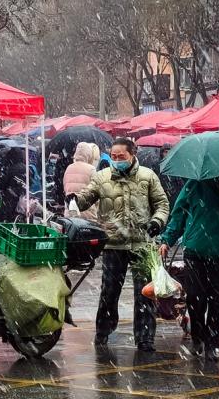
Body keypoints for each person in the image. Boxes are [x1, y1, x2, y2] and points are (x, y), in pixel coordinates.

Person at [70, 138, 169, 352]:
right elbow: (86, 198)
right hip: (113, 245)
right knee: (109, 292)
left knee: (145, 293)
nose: (116, 160)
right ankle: (103, 332)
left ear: (133, 155)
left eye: (121, 156)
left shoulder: (148, 176)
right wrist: (75, 199)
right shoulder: (101, 177)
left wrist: (156, 222)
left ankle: (145, 338)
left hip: (142, 243)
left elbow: (162, 204)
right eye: (113, 156)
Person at [159, 175, 219, 361]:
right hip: (195, 251)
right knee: (195, 299)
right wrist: (167, 239)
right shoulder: (194, 184)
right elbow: (179, 214)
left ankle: (213, 345)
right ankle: (197, 338)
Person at [63, 142, 100, 220]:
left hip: (70, 212)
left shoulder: (68, 168)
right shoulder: (91, 169)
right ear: (89, 155)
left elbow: (65, 189)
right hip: (87, 213)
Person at [0, 148, 28, 222]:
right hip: (24, 197)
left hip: (11, 199)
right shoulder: (26, 168)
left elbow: (3, 184)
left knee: (8, 218)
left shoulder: (11, 169)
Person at [158, 144, 185, 209]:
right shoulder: (157, 166)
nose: (167, 154)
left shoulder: (177, 165)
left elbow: (180, 182)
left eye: (170, 152)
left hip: (175, 196)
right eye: (166, 152)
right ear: (162, 153)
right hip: (162, 195)